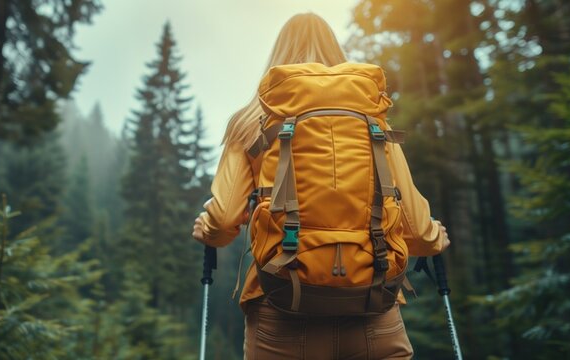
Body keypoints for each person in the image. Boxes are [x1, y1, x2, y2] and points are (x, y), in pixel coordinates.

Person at [191, 12, 450, 360]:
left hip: (280, 311)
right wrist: (434, 238)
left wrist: (208, 230)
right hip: (373, 308)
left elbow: (224, 220)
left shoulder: (251, 122)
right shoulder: (373, 124)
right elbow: (415, 228)